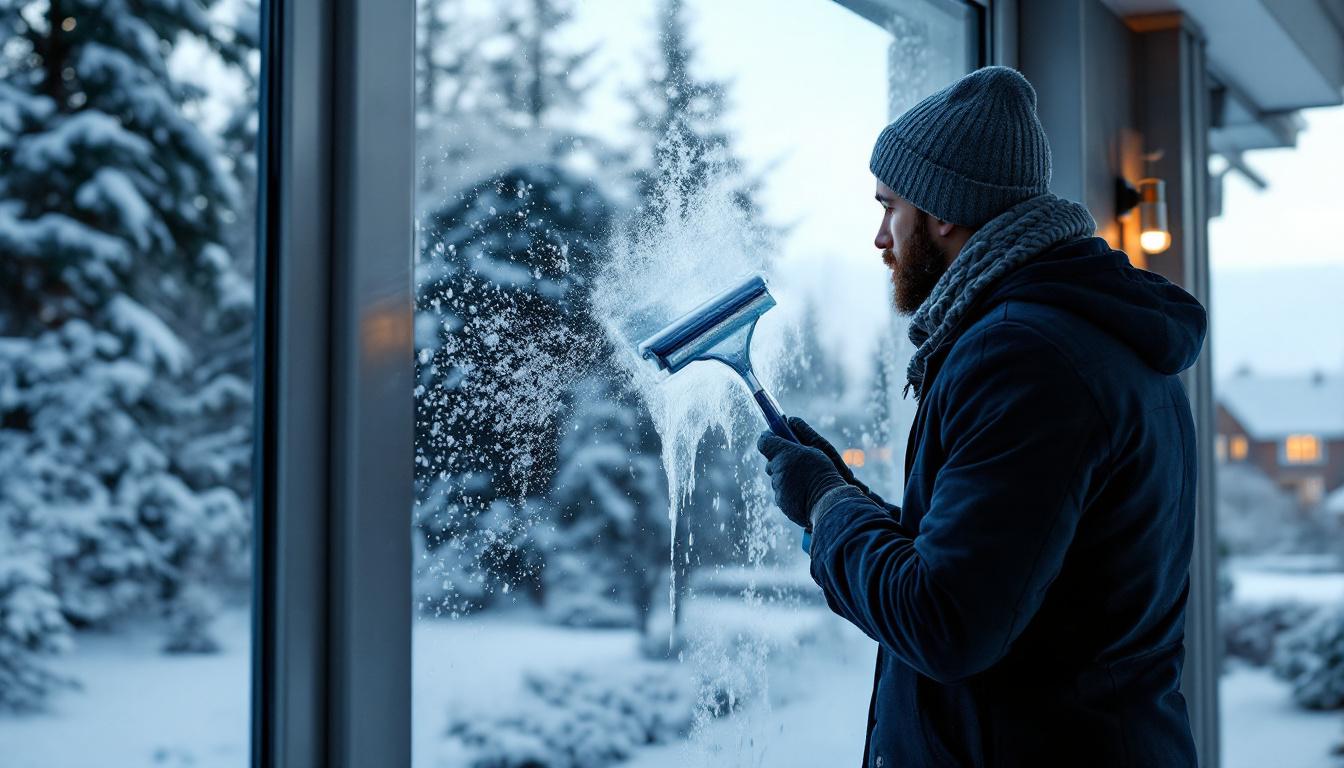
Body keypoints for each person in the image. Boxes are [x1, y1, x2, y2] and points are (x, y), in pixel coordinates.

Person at [756, 66, 1205, 767]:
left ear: (941, 212)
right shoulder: (1099, 335)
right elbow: (1000, 571)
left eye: (889, 208)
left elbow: (945, 625)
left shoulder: (1024, 357)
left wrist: (825, 508)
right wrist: (847, 496)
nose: (880, 238)